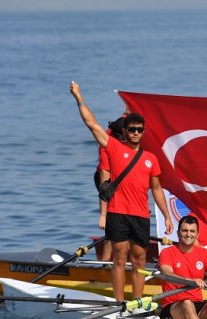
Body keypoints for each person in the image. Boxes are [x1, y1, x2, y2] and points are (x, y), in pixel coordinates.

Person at [70, 81, 174, 302]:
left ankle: (137, 302)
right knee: (119, 258)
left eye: (139, 130)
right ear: (125, 132)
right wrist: (78, 97)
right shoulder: (114, 148)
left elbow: (156, 189)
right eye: (132, 130)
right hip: (118, 213)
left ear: (143, 133)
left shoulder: (151, 159)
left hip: (140, 216)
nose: (136, 133)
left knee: (139, 260)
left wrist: (166, 216)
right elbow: (92, 124)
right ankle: (119, 304)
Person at [159, 215, 207, 319]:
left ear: (197, 234)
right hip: (172, 306)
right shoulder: (167, 253)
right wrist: (191, 281)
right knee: (187, 303)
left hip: (197, 304)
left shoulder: (204, 253)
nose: (189, 234)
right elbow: (167, 274)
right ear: (178, 233)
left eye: (192, 231)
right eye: (185, 230)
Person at [96, 114, 127, 261]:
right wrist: (104, 214)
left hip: (123, 178)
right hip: (107, 181)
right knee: (112, 223)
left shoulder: (121, 129)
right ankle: (105, 263)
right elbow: (104, 185)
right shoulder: (106, 148)